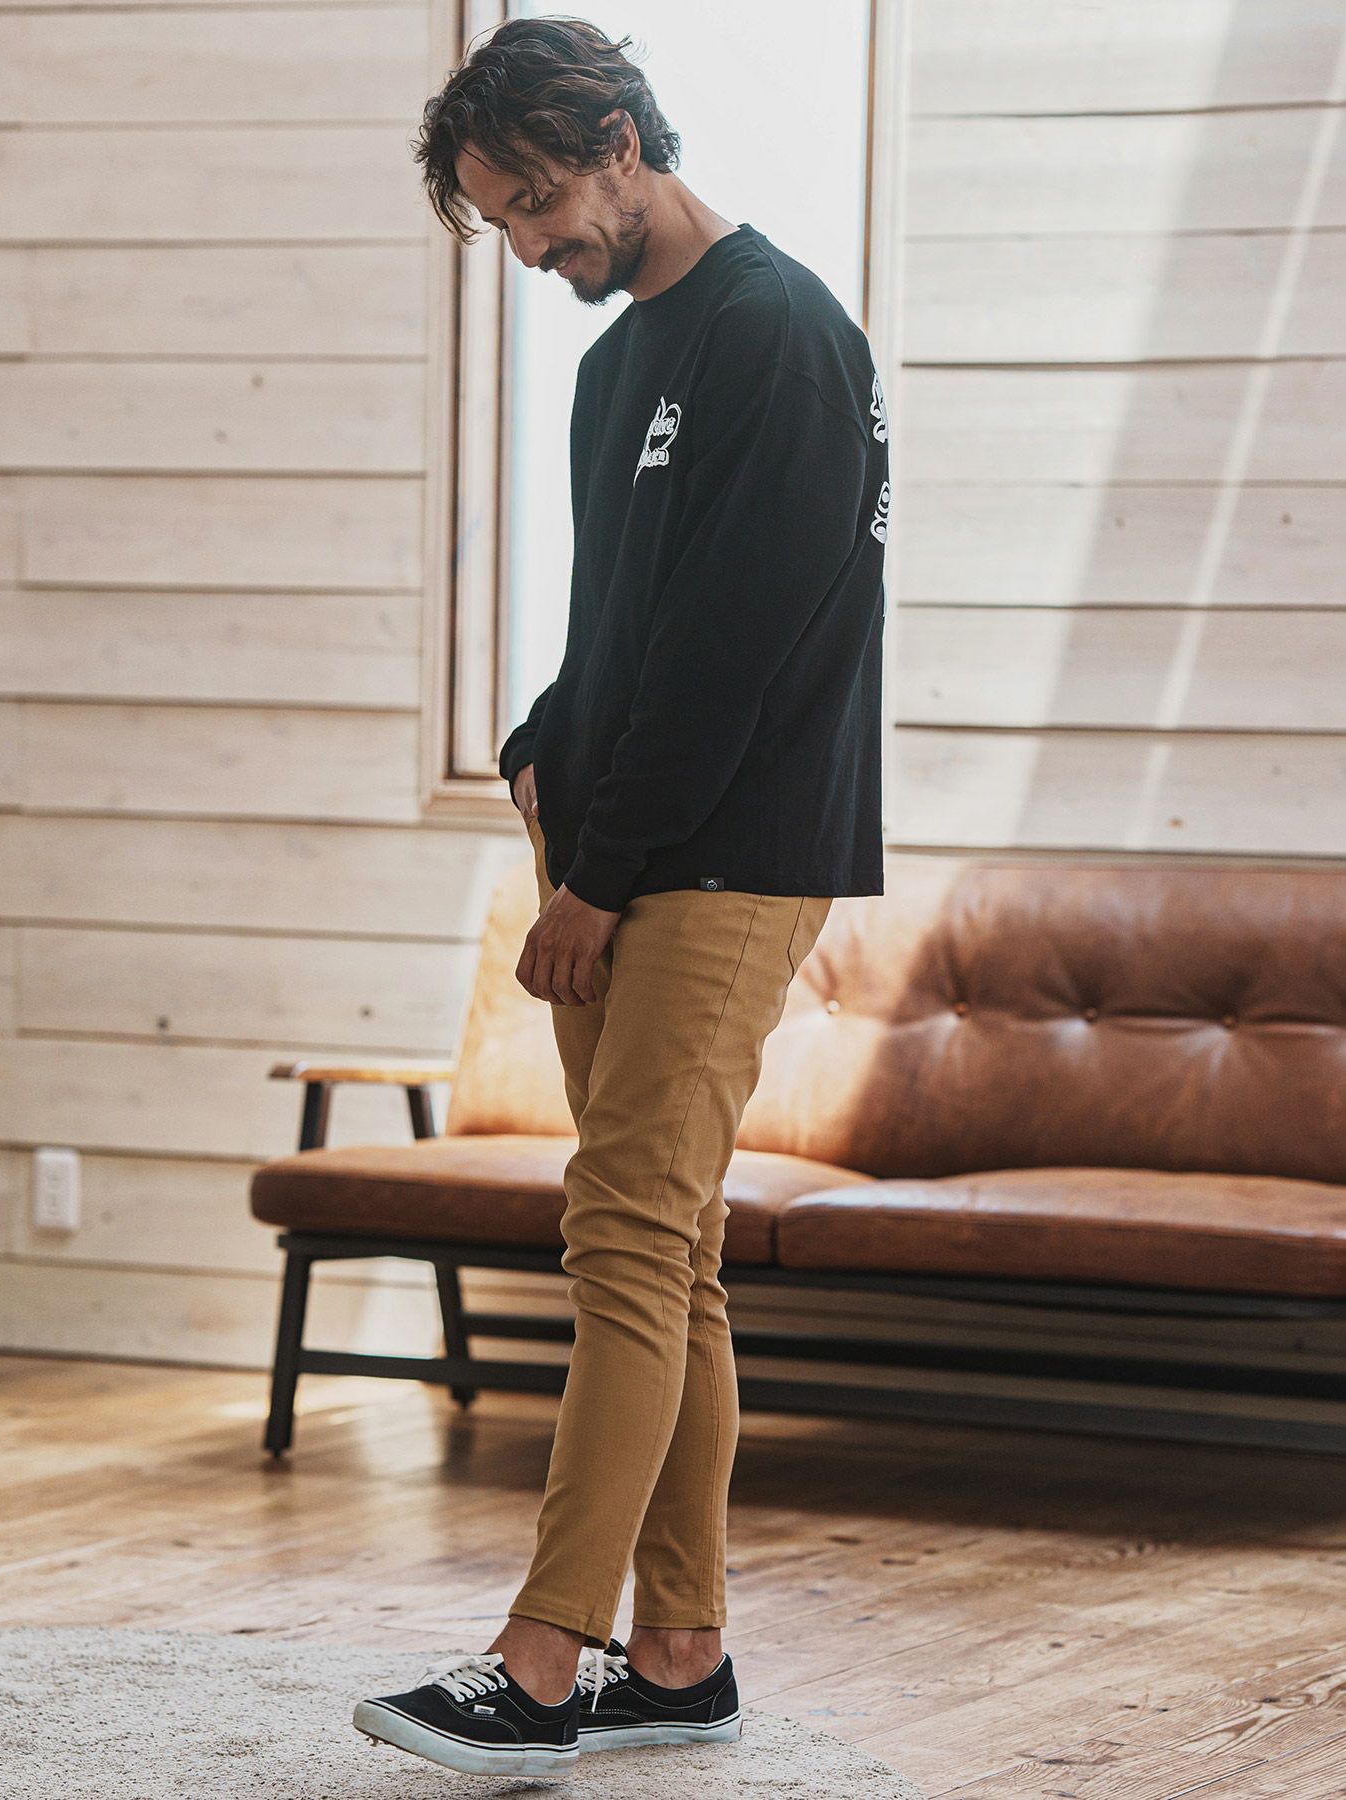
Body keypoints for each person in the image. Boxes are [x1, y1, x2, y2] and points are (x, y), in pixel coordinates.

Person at [353, 14, 889, 1778]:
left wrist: (595, 877)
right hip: (619, 837)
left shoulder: (780, 335)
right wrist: (538, 741)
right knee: (672, 1254)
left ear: (617, 141)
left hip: (724, 856)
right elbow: (631, 633)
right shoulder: (620, 365)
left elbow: (737, 657)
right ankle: (679, 1653)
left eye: (532, 203)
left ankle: (539, 1661)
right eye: (500, 219)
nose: (527, 247)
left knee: (627, 1237)